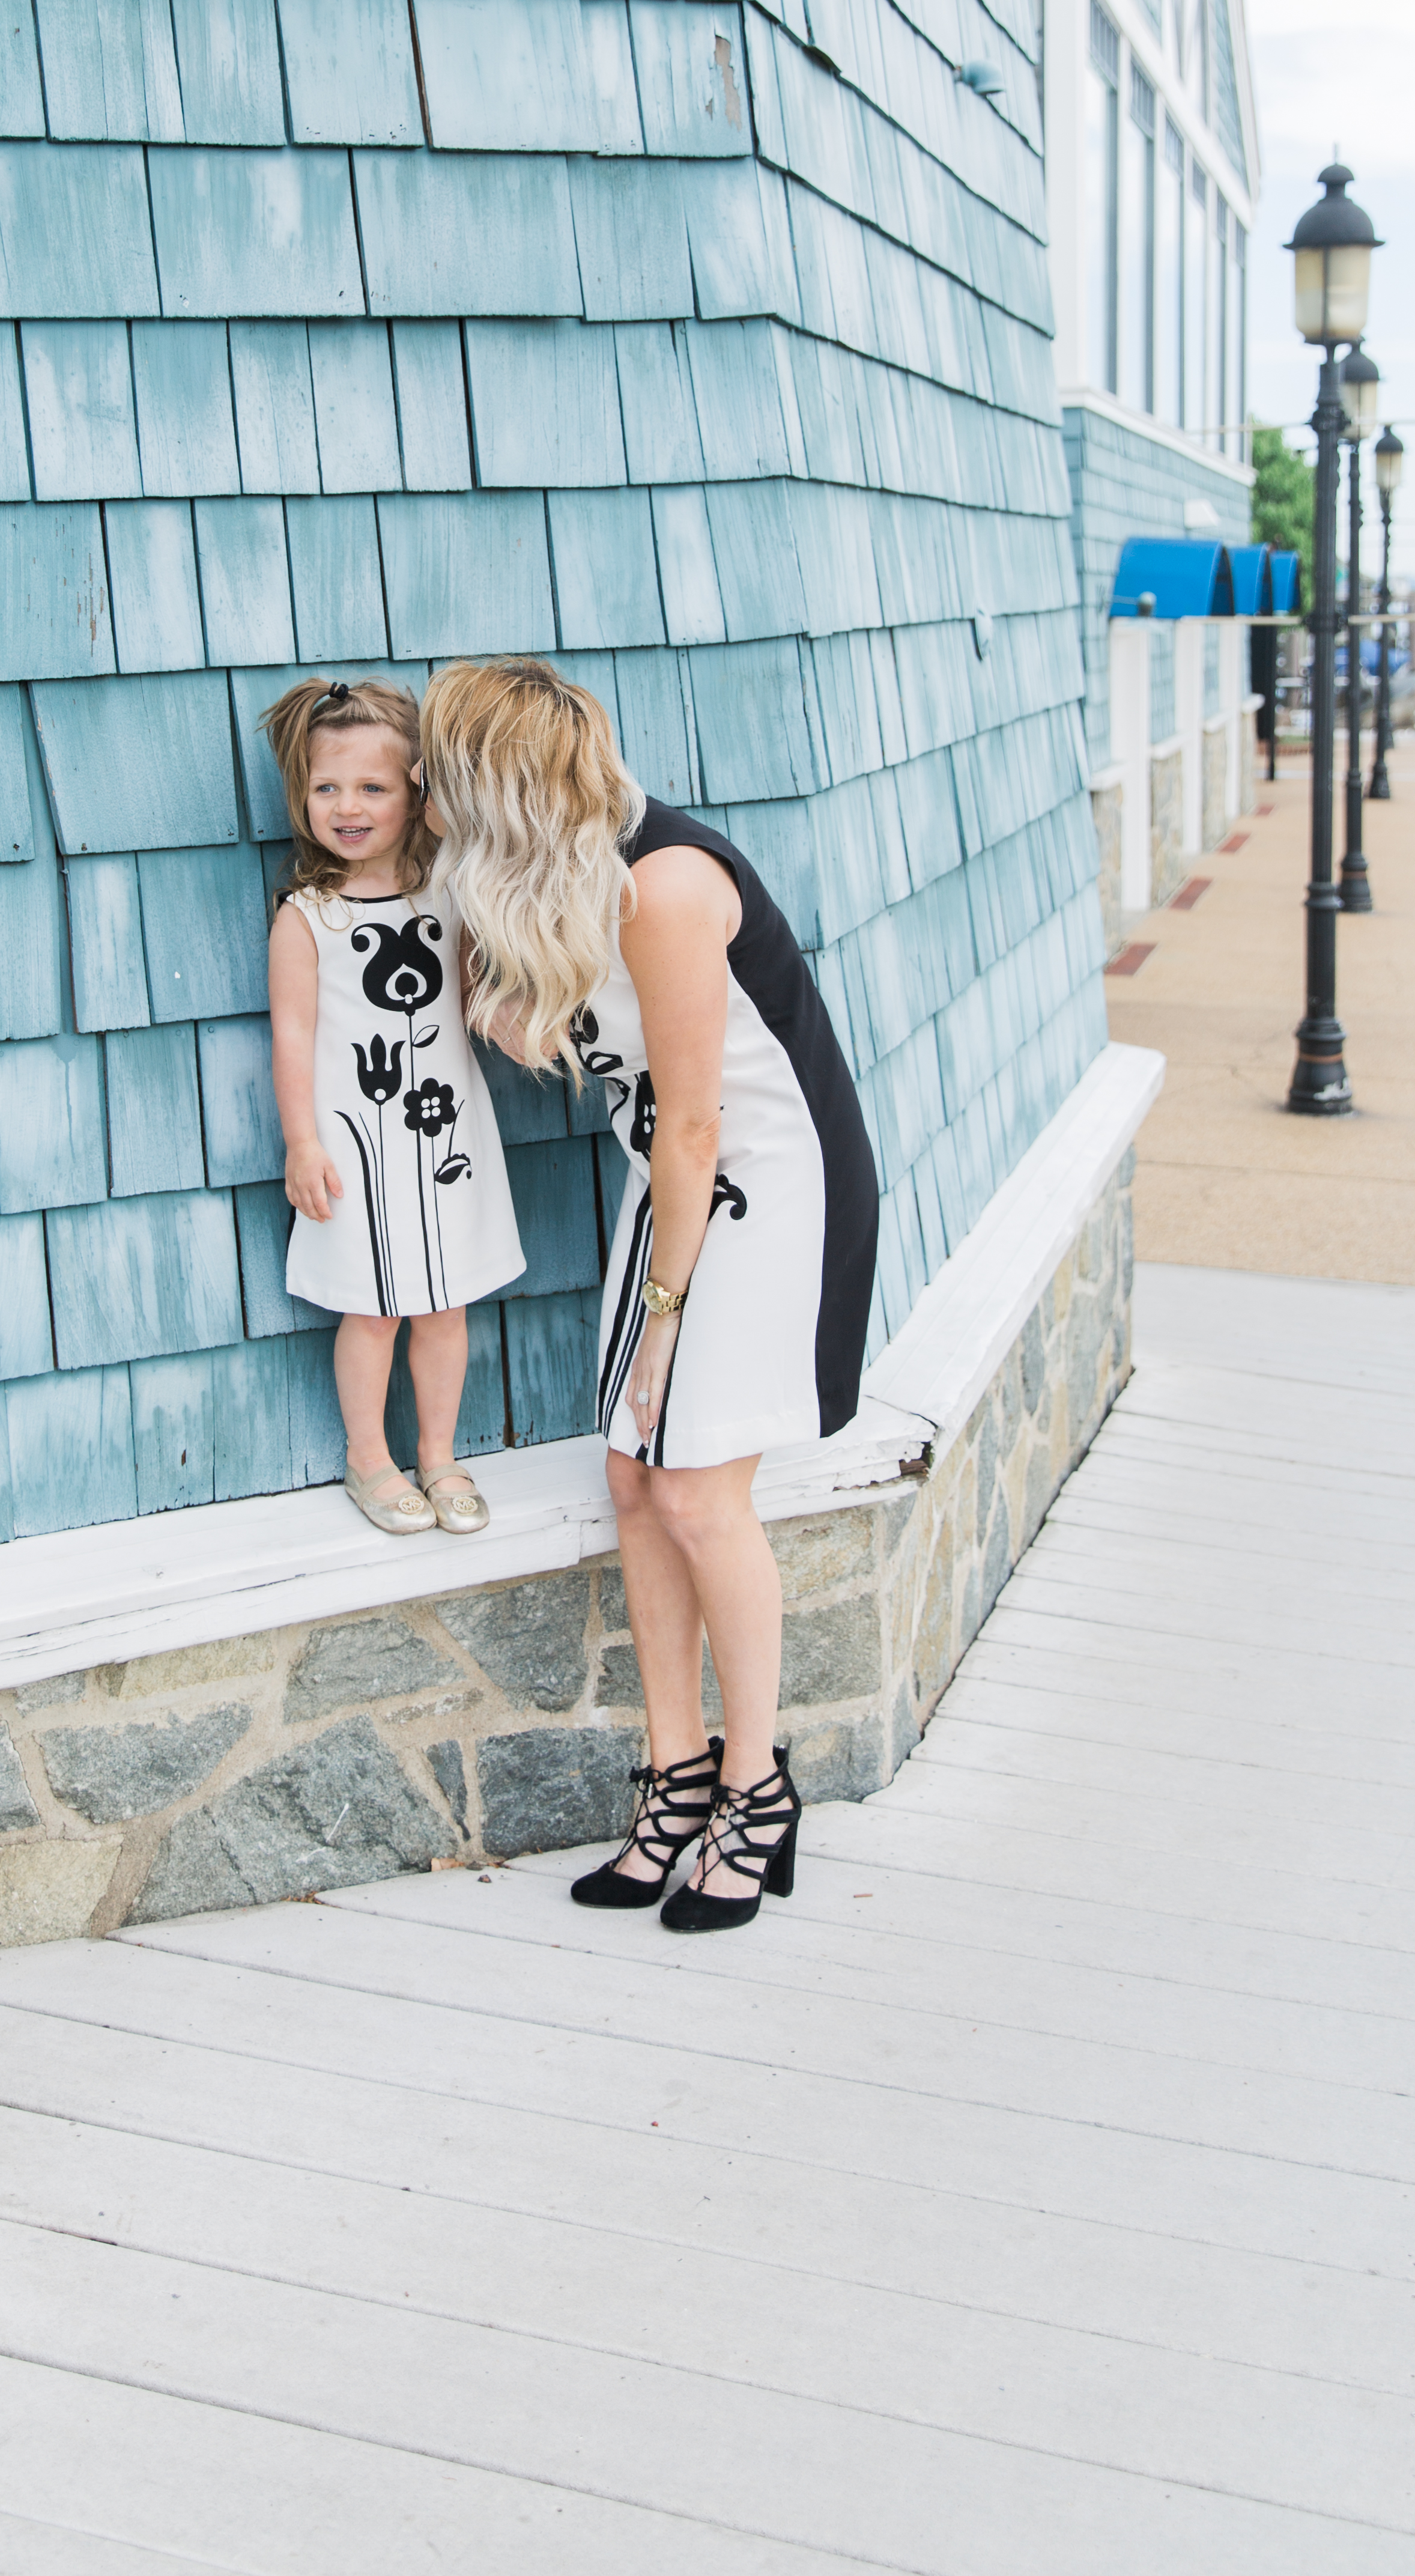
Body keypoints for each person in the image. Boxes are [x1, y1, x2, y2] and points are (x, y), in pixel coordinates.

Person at [417, 658, 880, 1932]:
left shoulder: (668, 885)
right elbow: (555, 1043)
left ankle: (756, 1788)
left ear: (493, 785)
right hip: (677, 1182)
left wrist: (664, 1324)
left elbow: (696, 1127)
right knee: (629, 1478)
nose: (418, 795)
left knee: (693, 1485)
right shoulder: (551, 872)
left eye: (439, 777)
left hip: (767, 1185)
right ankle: (673, 1776)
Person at [265, 676, 523, 1539]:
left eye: (372, 787)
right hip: (354, 1141)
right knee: (371, 1308)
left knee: (444, 1303)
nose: (348, 806)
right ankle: (370, 1456)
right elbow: (294, 1037)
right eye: (327, 786)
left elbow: (480, 996)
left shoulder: (450, 893)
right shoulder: (311, 918)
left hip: (444, 1133)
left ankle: (440, 1451)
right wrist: (302, 1143)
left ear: (417, 792)